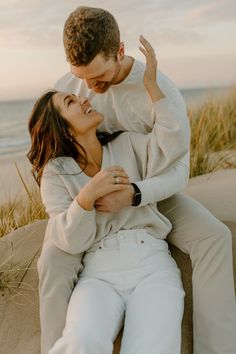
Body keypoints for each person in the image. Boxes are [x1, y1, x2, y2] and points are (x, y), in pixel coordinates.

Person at [38, 6, 236, 354]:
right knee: (53, 257)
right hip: (93, 203)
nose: (88, 89)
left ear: (120, 51)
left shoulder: (158, 89)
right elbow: (55, 143)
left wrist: (135, 194)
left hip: (151, 186)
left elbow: (176, 168)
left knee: (214, 237)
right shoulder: (71, 87)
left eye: (98, 78)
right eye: (80, 77)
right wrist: (83, 198)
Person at [28, 43, 186, 354]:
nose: (84, 98)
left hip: (152, 262)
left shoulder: (129, 144)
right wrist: (86, 198)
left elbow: (173, 146)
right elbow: (69, 241)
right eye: (72, 102)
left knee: (151, 347)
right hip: (98, 274)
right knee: (81, 342)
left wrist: (153, 88)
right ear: (63, 129)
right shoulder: (56, 173)